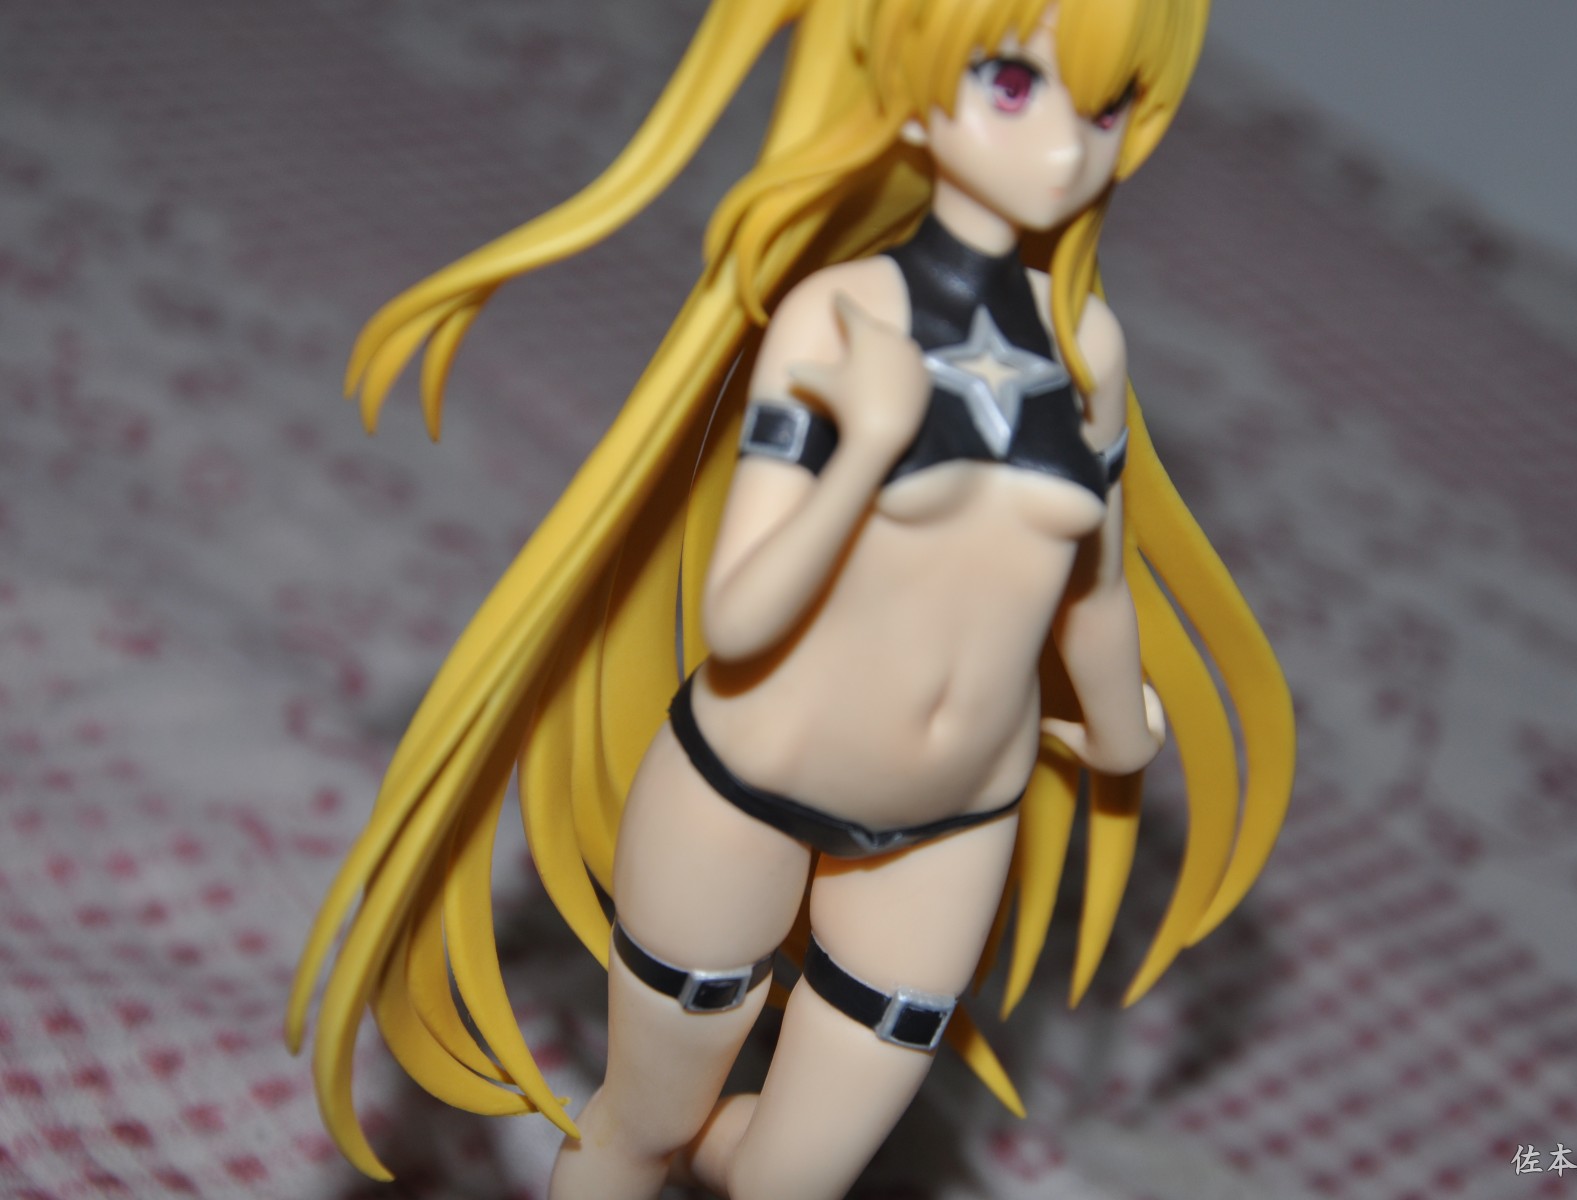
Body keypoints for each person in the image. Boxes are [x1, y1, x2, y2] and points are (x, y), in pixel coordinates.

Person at [286, 1, 1294, 1197]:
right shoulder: (839, 316)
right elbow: (740, 617)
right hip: (748, 793)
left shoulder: (1090, 347)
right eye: (1014, 87)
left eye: (1109, 103)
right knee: (644, 1127)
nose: (1070, 145)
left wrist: (1120, 732)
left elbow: (1094, 580)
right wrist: (862, 449)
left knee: (792, 1179)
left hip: (953, 828)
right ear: (909, 87)